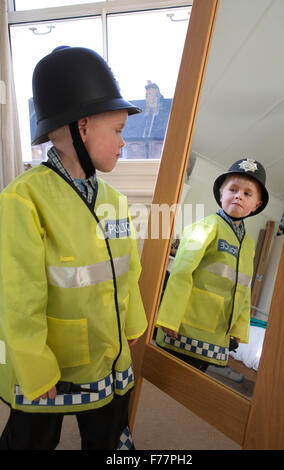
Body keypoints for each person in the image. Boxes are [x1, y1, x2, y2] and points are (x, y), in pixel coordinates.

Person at [0, 46, 147, 450]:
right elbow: (18, 296)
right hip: (53, 359)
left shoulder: (114, 200)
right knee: (32, 437)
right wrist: (32, 361)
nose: (122, 142)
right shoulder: (24, 199)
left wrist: (133, 322)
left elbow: (127, 270)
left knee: (108, 431)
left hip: (108, 349)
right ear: (82, 128)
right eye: (117, 130)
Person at [156, 158, 269, 372]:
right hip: (186, 327)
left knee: (194, 387)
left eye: (247, 193)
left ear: (256, 205)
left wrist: (240, 328)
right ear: (221, 194)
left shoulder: (248, 244)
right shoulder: (206, 227)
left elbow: (244, 289)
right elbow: (181, 272)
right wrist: (169, 318)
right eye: (233, 189)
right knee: (168, 376)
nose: (238, 195)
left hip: (216, 333)